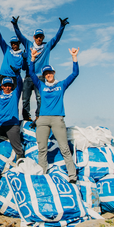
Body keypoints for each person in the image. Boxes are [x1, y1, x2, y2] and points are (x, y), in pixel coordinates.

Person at [29, 47, 79, 182]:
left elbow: (75, 73)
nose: (48, 75)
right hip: (43, 120)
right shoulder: (41, 85)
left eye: (50, 72)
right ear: (44, 75)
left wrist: (74, 58)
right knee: (42, 149)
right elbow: (31, 73)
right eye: (46, 73)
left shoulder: (61, 85)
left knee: (64, 148)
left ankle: (72, 176)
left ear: (54, 72)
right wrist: (32, 58)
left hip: (57, 119)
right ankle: (42, 175)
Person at [14, 17, 68, 121]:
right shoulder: (28, 44)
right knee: (25, 98)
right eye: (37, 37)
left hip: (40, 77)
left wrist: (62, 26)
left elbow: (56, 38)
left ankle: (38, 116)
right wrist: (15, 25)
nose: (39, 39)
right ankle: (26, 117)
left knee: (40, 98)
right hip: (29, 76)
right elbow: (19, 36)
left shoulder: (47, 46)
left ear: (43, 37)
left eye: (41, 37)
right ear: (34, 37)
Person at [0, 65, 25, 159]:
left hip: (12, 125)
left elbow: (20, 84)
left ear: (12, 86)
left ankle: (21, 160)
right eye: (5, 85)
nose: (7, 87)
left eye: (9, 85)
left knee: (17, 147)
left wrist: (17, 74)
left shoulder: (15, 93)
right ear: (2, 86)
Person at [0, 17, 26, 90]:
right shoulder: (7, 49)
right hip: (2, 75)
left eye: (15, 43)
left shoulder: (22, 55)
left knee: (13, 97)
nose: (13, 45)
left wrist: (25, 59)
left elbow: (23, 68)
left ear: (19, 43)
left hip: (14, 78)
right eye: (12, 43)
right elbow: (0, 38)